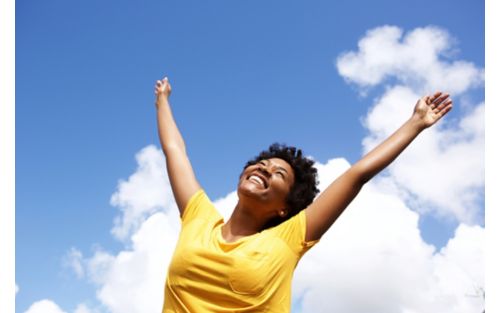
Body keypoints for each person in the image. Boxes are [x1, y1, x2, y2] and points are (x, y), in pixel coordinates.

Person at [154, 76, 452, 313]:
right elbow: (175, 151)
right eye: (262, 164)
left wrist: (414, 124)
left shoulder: (288, 238)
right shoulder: (199, 219)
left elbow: (355, 176)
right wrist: (163, 101)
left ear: (284, 208)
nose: (264, 169)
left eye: (279, 174)